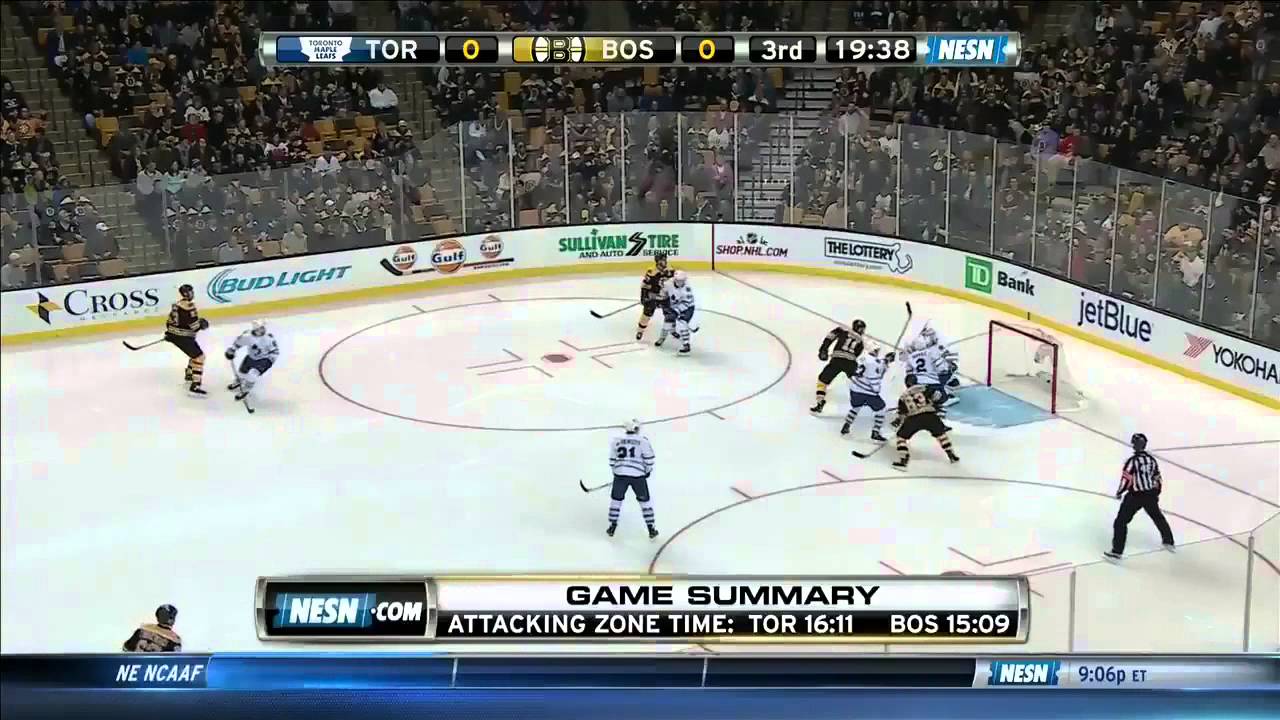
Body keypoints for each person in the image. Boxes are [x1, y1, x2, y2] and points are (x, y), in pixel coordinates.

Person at [1105, 433, 1175, 560]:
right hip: (1150, 494)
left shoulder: (1132, 462)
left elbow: (1126, 479)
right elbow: (1157, 477)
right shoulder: (1151, 460)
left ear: (1134, 445)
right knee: (1157, 517)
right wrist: (1156, 492)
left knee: (1120, 522)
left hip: (1135, 496)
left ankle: (1117, 551)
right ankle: (1168, 541)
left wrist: (1119, 492)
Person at [607, 419, 658, 538]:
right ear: (636, 428)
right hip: (638, 477)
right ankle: (651, 528)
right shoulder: (643, 441)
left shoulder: (616, 440)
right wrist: (647, 471)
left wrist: (616, 472)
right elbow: (649, 459)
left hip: (620, 475)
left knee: (616, 500)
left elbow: (612, 460)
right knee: (644, 501)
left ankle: (612, 527)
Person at [164, 284, 209, 395]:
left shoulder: (176, 305)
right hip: (183, 337)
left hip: (174, 335)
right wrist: (202, 324)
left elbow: (169, 322)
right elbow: (194, 327)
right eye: (191, 292)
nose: (192, 294)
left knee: (193, 354)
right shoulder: (189, 306)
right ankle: (195, 385)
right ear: (187, 293)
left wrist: (170, 333)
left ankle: (189, 374)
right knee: (199, 357)